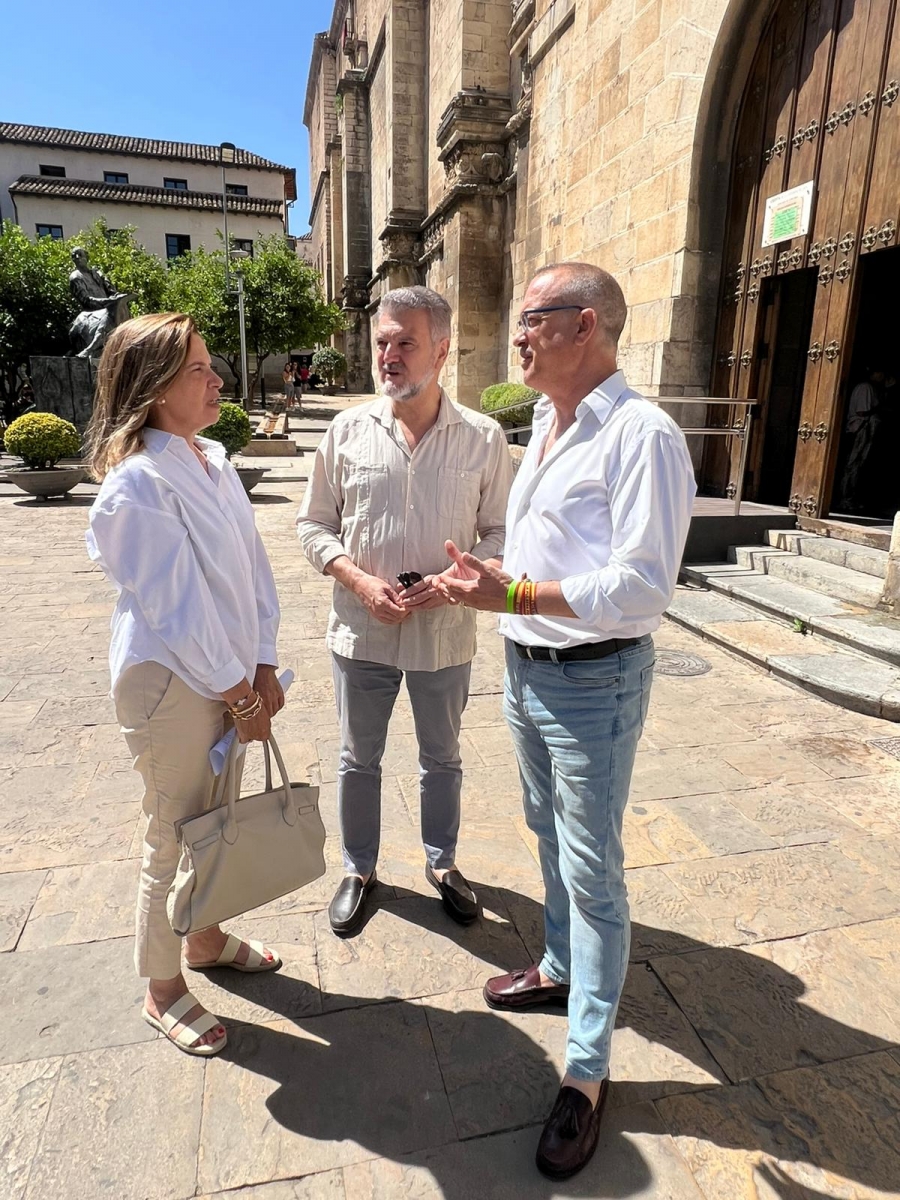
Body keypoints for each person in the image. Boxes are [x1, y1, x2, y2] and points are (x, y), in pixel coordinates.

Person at [438, 263, 696, 1179]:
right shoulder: (547, 426)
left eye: (532, 321)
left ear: (585, 325)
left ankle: (586, 1072)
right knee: (546, 829)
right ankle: (556, 966)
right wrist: (486, 575)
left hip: (594, 679)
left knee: (593, 873)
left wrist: (508, 589)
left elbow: (640, 585)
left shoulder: (642, 436)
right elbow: (546, 552)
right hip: (527, 663)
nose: (517, 338)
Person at [85, 313, 285, 1058]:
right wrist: (239, 691)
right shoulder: (136, 485)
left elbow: (252, 572)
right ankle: (162, 987)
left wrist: (261, 662)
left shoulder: (214, 461)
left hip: (229, 672)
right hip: (172, 685)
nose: (218, 380)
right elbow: (178, 607)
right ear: (155, 388)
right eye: (200, 369)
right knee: (172, 829)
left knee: (218, 813)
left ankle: (203, 936)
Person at [297, 285, 513, 936]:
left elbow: (502, 532)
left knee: (441, 758)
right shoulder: (345, 431)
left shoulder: (482, 437)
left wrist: (457, 577)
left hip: (444, 634)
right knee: (358, 758)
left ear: (442, 350)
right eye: (382, 342)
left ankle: (443, 865)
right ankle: (360, 870)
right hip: (361, 632)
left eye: (405, 342)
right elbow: (313, 526)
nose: (388, 355)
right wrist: (359, 581)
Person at [68, 246, 135, 358]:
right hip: (91, 312)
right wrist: (107, 302)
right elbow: (86, 300)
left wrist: (116, 296)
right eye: (74, 256)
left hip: (107, 306)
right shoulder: (75, 277)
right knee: (108, 316)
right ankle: (90, 349)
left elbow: (111, 290)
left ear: (87, 257)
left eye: (80, 254)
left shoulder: (96, 273)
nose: (77, 257)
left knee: (123, 311)